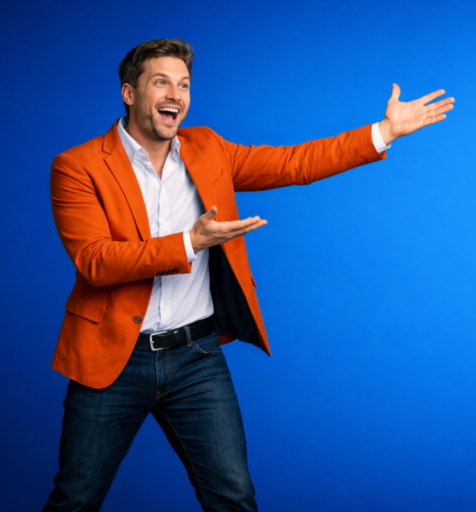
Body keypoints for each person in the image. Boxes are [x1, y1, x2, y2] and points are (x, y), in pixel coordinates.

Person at [43, 38, 454, 511]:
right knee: (75, 499)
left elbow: (293, 163)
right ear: (129, 93)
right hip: (113, 361)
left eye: (184, 84)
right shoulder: (78, 166)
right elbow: (95, 262)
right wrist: (189, 243)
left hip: (196, 358)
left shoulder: (208, 148)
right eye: (161, 82)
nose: (175, 94)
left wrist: (382, 132)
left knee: (234, 497)